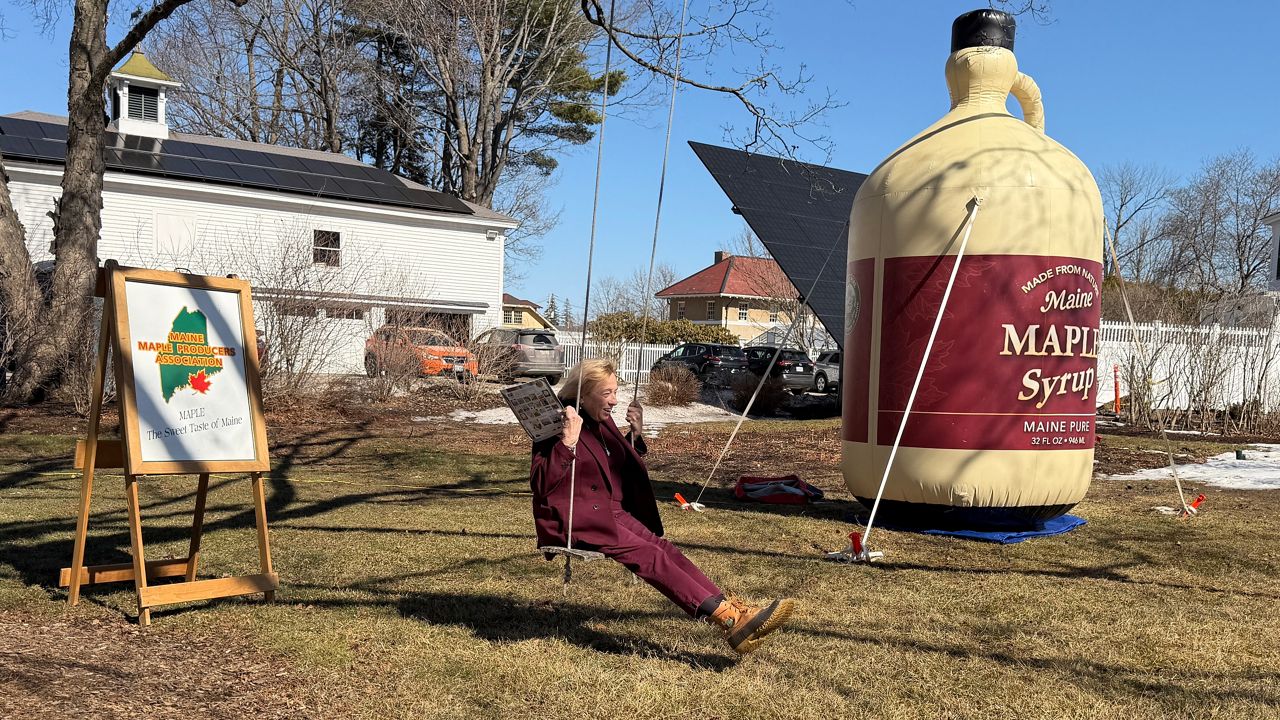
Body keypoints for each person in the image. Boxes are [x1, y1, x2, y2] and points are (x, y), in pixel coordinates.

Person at [529, 358, 794, 654]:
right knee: (651, 557)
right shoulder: (560, 422)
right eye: (607, 393)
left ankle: (731, 609)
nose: (615, 401)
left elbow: (611, 459)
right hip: (578, 518)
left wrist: (635, 434)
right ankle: (730, 620)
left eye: (615, 392)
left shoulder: (596, 419)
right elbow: (541, 484)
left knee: (664, 550)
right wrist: (566, 444)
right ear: (583, 392)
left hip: (609, 509)